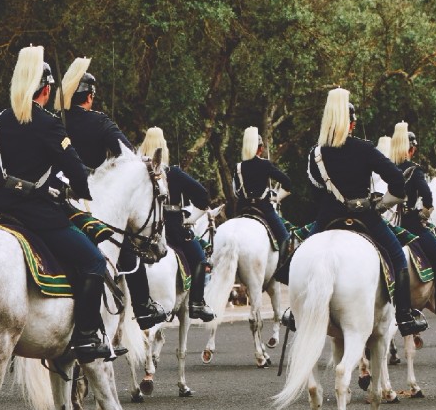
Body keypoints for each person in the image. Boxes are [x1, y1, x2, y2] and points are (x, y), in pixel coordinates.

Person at [0, 47, 115, 362]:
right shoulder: (48, 123)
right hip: (37, 215)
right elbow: (75, 172)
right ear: (44, 89)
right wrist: (83, 190)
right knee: (94, 260)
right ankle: (85, 336)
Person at [289, 87, 427, 337]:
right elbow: (397, 179)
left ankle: (293, 309)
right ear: (351, 124)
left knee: (299, 256)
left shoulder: (316, 154)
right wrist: (381, 204)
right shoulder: (364, 149)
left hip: (327, 217)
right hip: (365, 217)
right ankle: (405, 315)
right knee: (397, 256)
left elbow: (315, 192)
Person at [53, 59, 163, 329]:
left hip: (53, 196)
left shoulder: (54, 122)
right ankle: (143, 306)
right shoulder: (100, 122)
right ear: (89, 97)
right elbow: (129, 157)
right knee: (125, 247)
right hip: (88, 197)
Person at [141, 127, 217, 323]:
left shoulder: (138, 171)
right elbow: (203, 196)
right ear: (163, 147)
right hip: (171, 229)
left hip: (142, 230)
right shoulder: (172, 172)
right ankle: (197, 303)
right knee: (200, 258)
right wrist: (190, 220)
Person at [387, 122, 436, 317]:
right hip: (411, 225)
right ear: (412, 149)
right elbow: (427, 195)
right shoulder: (415, 170)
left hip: (388, 225)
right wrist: (424, 213)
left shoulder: (387, 167)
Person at [233, 125, 294, 261]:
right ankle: (281, 269)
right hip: (263, 208)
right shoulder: (265, 165)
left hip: (242, 208)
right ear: (260, 149)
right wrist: (277, 198)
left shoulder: (238, 167)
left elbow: (236, 192)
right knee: (284, 237)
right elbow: (287, 182)